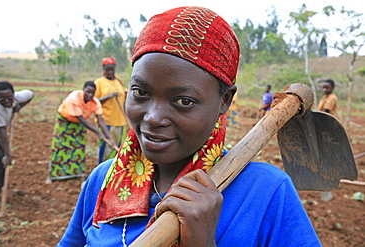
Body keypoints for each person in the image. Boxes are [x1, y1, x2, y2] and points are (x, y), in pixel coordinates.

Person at [57, 6, 321, 246]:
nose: (152, 117)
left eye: (183, 101)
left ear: (224, 100)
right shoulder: (103, 180)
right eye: (140, 92)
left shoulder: (265, 193)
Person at [45, 81, 117, 184]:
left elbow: (100, 119)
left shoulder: (95, 102)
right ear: (83, 90)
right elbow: (80, 119)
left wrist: (109, 137)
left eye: (92, 93)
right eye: (88, 92)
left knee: (79, 147)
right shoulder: (73, 99)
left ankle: (78, 174)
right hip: (65, 121)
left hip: (79, 123)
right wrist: (98, 132)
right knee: (59, 146)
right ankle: (51, 175)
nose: (90, 95)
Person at [0, 81, 34, 206]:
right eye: (2, 99)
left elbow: (30, 94)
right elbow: (2, 134)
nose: (7, 101)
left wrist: (18, 107)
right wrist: (7, 155)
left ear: (14, 94)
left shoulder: (17, 97)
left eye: (9, 98)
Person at [94, 58, 128, 164]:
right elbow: (93, 101)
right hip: (106, 121)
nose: (110, 72)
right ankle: (102, 171)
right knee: (106, 149)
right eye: (108, 70)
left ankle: (113, 171)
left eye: (112, 70)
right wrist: (108, 96)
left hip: (120, 121)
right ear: (104, 69)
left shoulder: (118, 82)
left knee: (118, 148)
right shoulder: (99, 82)